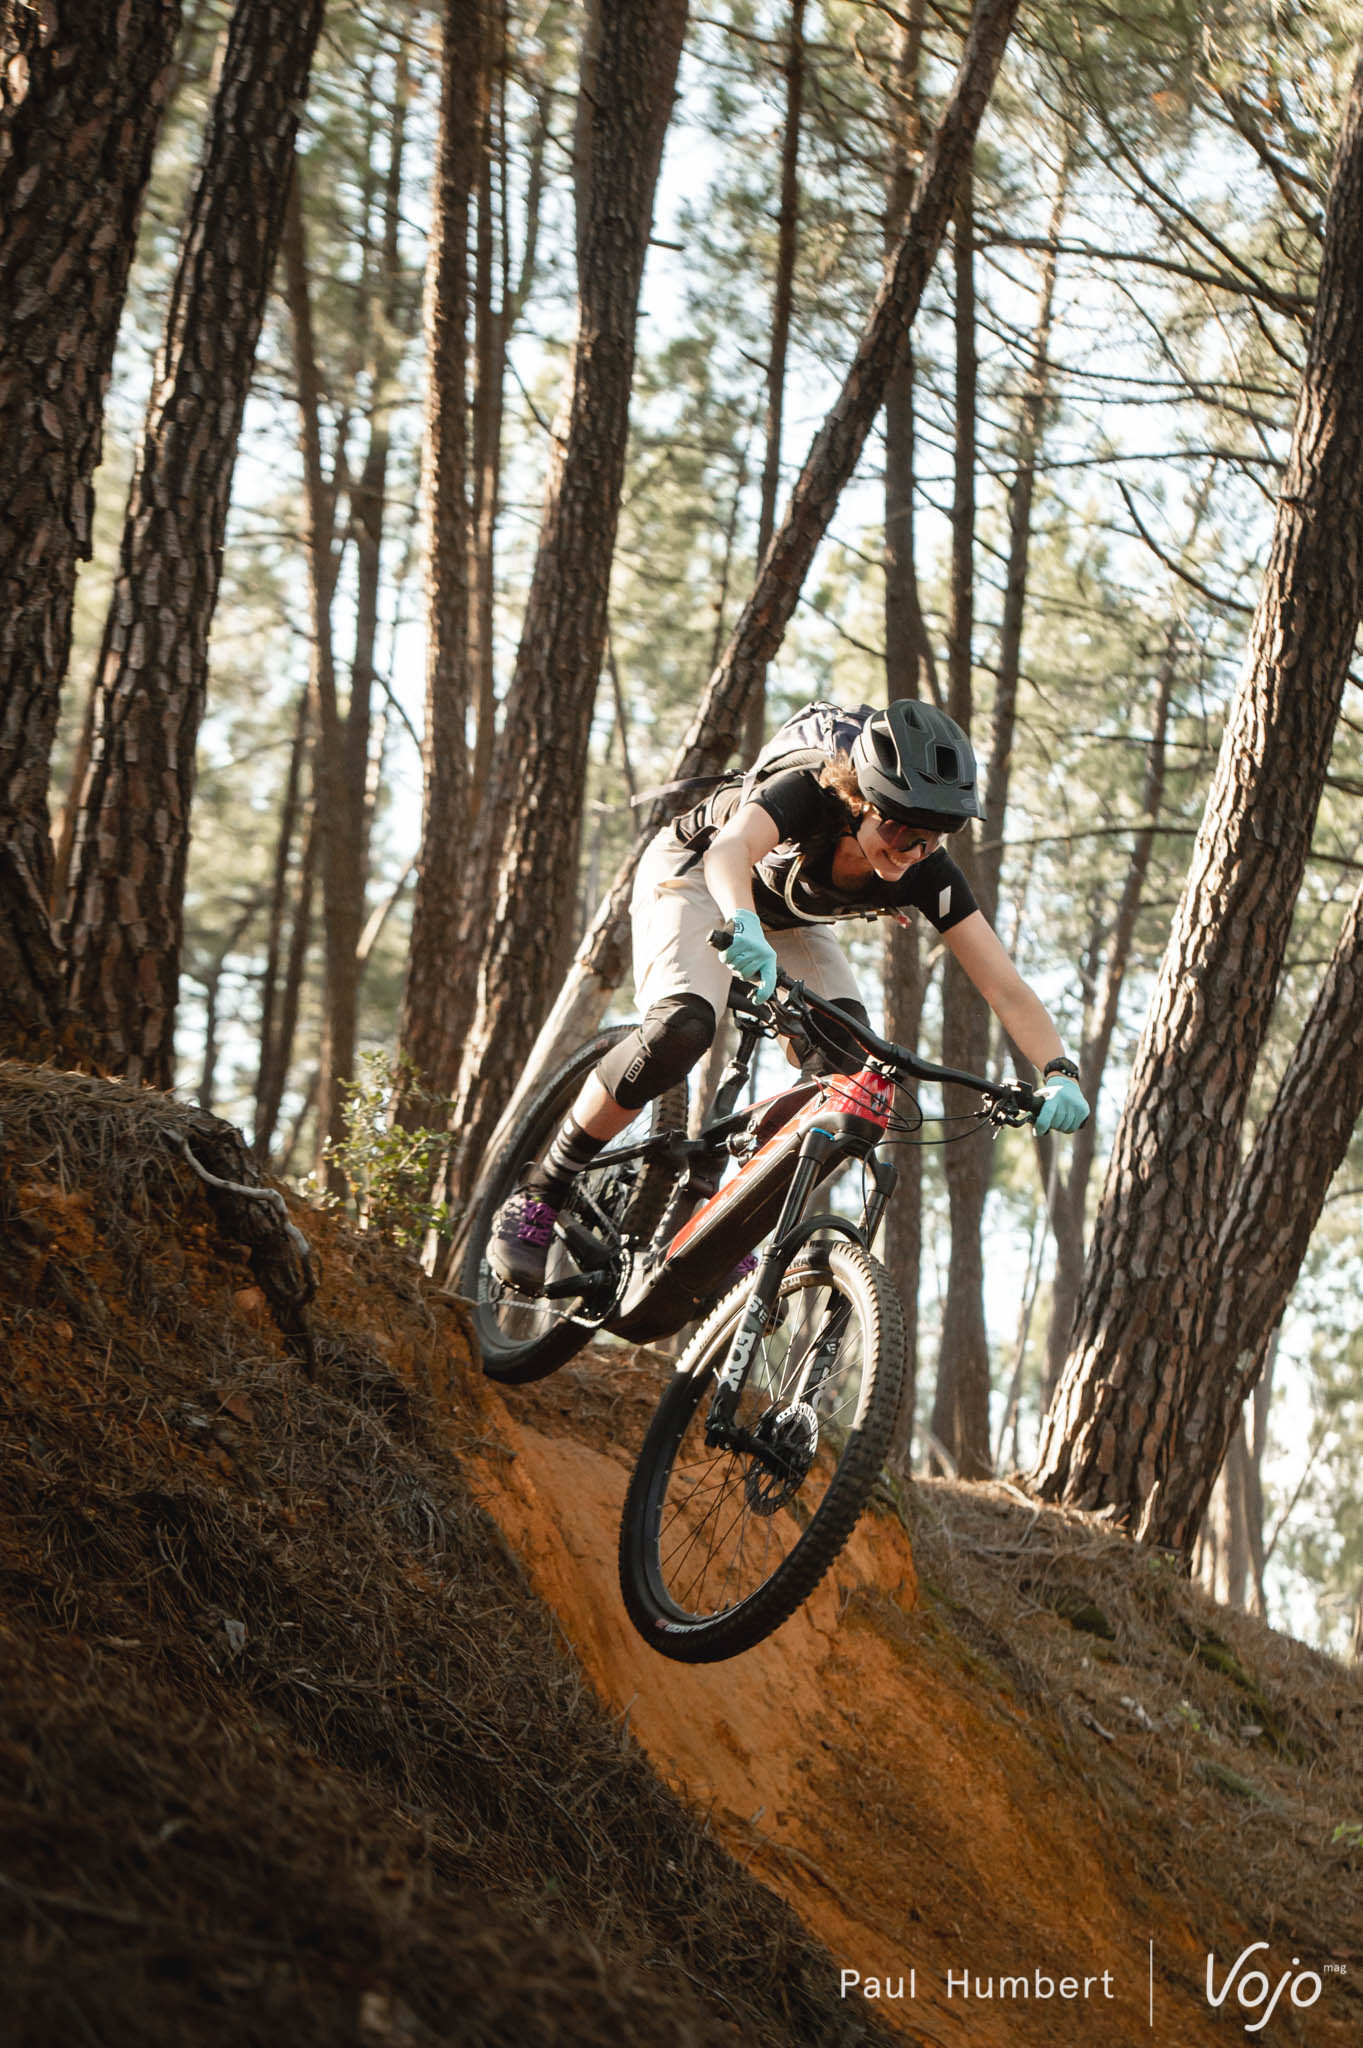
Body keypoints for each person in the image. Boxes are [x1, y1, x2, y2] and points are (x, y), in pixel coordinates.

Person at [488, 698, 1089, 1293]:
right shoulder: (807, 794)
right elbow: (729, 851)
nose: (911, 852)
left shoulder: (927, 872)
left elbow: (1003, 986)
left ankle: (726, 1224)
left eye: (932, 838)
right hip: (698, 874)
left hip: (787, 919)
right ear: (861, 801)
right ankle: (541, 1191)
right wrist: (741, 921)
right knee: (683, 1028)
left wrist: (1059, 1071)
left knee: (851, 1078)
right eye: (899, 830)